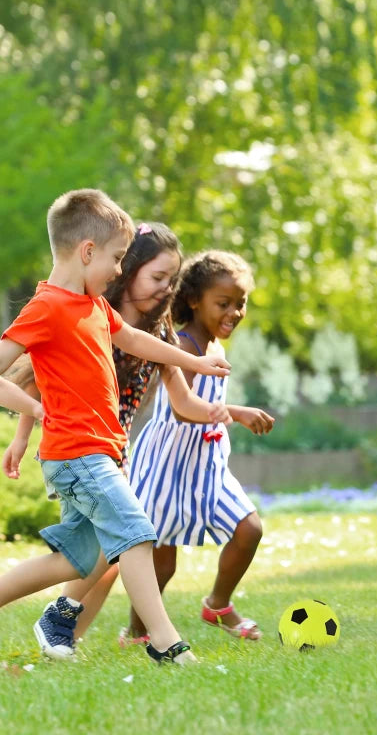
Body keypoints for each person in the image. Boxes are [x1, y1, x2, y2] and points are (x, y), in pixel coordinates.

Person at [0, 188, 231, 666]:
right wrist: (32, 411)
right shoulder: (47, 308)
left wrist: (195, 363)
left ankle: (59, 619)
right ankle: (167, 644)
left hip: (98, 453)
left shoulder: (94, 306)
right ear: (87, 251)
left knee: (74, 562)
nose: (119, 269)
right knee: (136, 534)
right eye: (116, 257)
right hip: (77, 455)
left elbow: (135, 340)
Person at [126, 250, 273, 642]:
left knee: (249, 529)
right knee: (162, 563)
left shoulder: (215, 349)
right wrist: (236, 412)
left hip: (206, 465)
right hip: (167, 463)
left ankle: (218, 605)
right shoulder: (185, 346)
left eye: (240, 304)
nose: (234, 312)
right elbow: (181, 410)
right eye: (223, 303)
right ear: (194, 300)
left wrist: (228, 416)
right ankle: (138, 631)